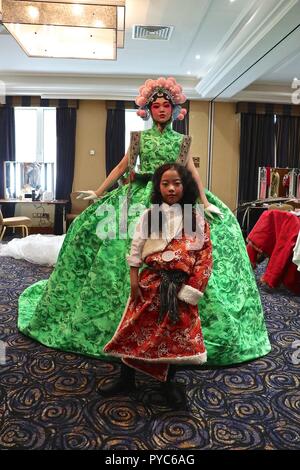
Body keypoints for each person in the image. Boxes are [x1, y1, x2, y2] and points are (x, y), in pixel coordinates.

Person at [18, 76, 271, 365]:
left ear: (175, 110)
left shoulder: (183, 141)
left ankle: (179, 323)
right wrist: (99, 192)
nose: (161, 110)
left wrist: (203, 202)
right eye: (156, 106)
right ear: (148, 110)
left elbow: (191, 174)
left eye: (166, 105)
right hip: (140, 195)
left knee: (199, 240)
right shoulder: (139, 137)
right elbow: (123, 165)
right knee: (105, 236)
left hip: (173, 193)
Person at [100, 163, 212, 408]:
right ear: (158, 186)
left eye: (177, 183)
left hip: (178, 290)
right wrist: (133, 280)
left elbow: (204, 258)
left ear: (186, 186)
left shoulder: (195, 219)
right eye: (165, 183)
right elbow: (136, 248)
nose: (171, 188)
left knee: (172, 337)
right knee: (131, 330)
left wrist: (191, 289)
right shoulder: (151, 215)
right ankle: (126, 379)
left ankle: (168, 384)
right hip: (150, 283)